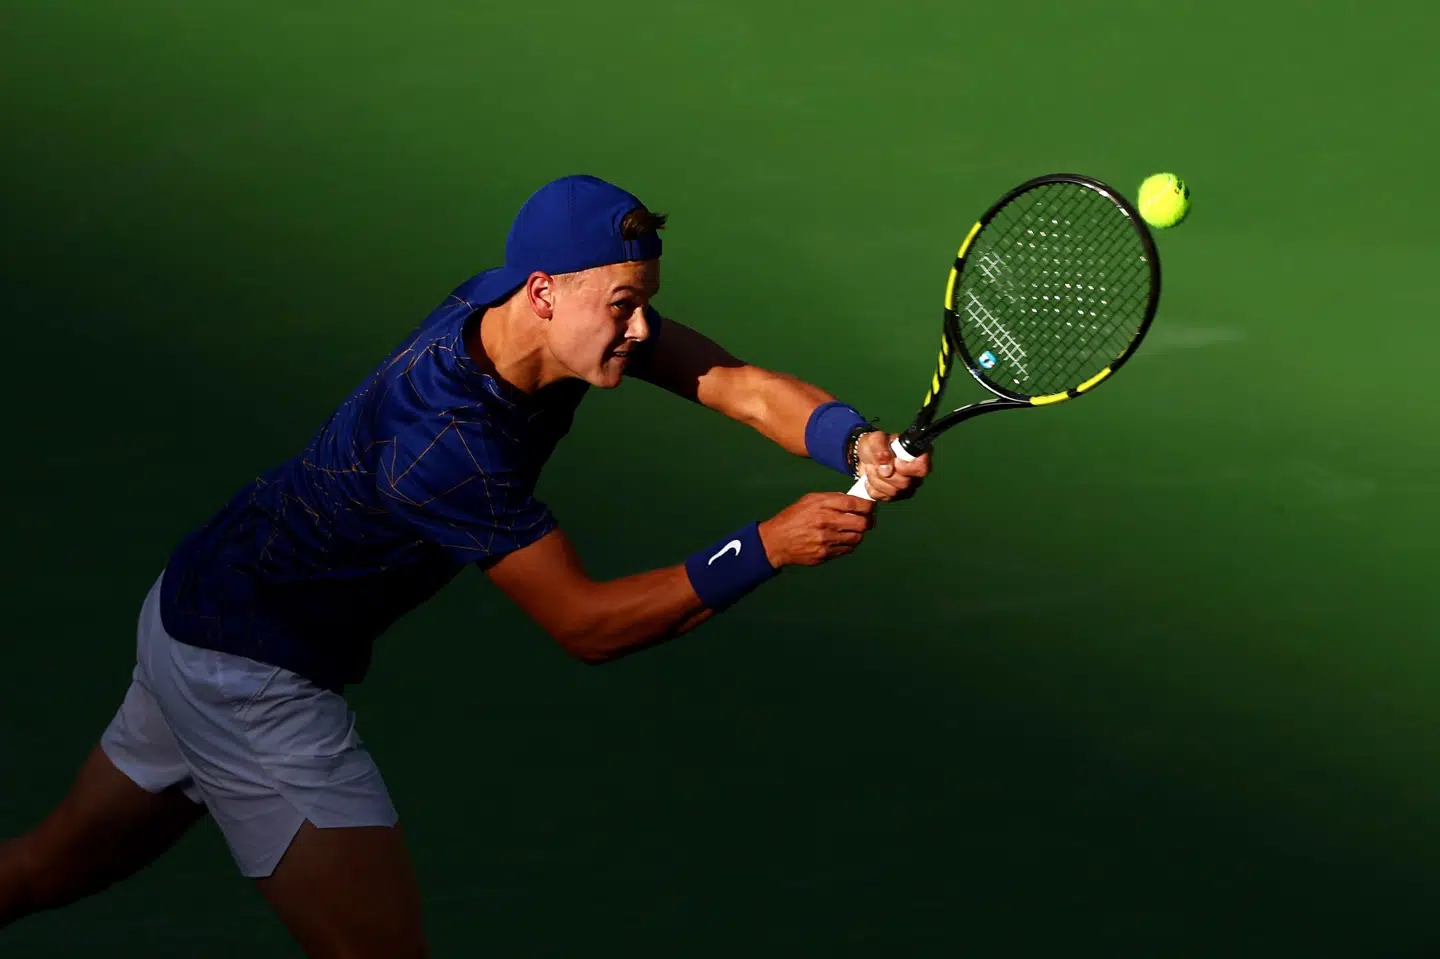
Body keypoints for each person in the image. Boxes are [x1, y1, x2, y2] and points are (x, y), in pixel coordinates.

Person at [0, 174, 931, 957]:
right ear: (544, 293)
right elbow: (587, 624)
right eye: (624, 305)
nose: (645, 329)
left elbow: (733, 383)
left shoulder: (514, 307)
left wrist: (856, 442)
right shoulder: (446, 446)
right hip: (249, 674)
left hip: (196, 597)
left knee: (44, 870)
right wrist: (766, 545)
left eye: (643, 300)